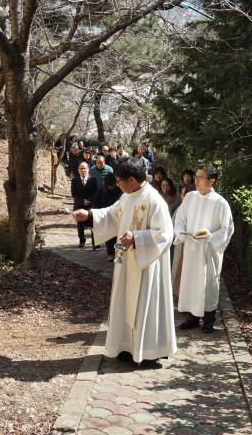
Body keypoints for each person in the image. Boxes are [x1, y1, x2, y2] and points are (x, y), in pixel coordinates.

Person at [72, 157, 177, 366]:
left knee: (143, 305)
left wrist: (137, 237)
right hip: (125, 262)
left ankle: (148, 352)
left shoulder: (154, 200)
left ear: (132, 180)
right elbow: (111, 215)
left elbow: (165, 234)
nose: (116, 183)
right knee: (124, 304)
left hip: (146, 266)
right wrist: (90, 215)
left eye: (120, 180)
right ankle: (127, 346)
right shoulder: (127, 196)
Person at [172, 164, 234, 334]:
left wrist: (211, 237)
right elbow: (180, 219)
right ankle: (192, 317)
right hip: (191, 248)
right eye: (196, 177)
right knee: (190, 282)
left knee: (207, 284)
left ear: (211, 181)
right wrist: (181, 232)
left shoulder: (220, 203)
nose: (196, 180)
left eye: (200, 177)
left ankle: (208, 319)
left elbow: (227, 229)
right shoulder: (190, 197)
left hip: (208, 251)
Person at [92, 173, 123, 259]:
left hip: (117, 216)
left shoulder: (119, 190)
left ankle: (119, 252)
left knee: (118, 236)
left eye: (113, 185)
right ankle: (110, 253)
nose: (111, 187)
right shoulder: (100, 191)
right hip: (106, 216)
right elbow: (96, 204)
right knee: (109, 235)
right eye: (110, 186)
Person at [70, 161, 97, 248]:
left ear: (88, 169)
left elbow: (95, 192)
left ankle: (95, 242)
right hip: (79, 205)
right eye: (81, 168)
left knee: (93, 224)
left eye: (85, 168)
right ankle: (82, 241)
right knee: (80, 225)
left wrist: (88, 201)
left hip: (90, 205)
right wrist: (82, 201)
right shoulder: (75, 180)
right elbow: (74, 194)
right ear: (78, 170)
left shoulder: (93, 180)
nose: (83, 170)